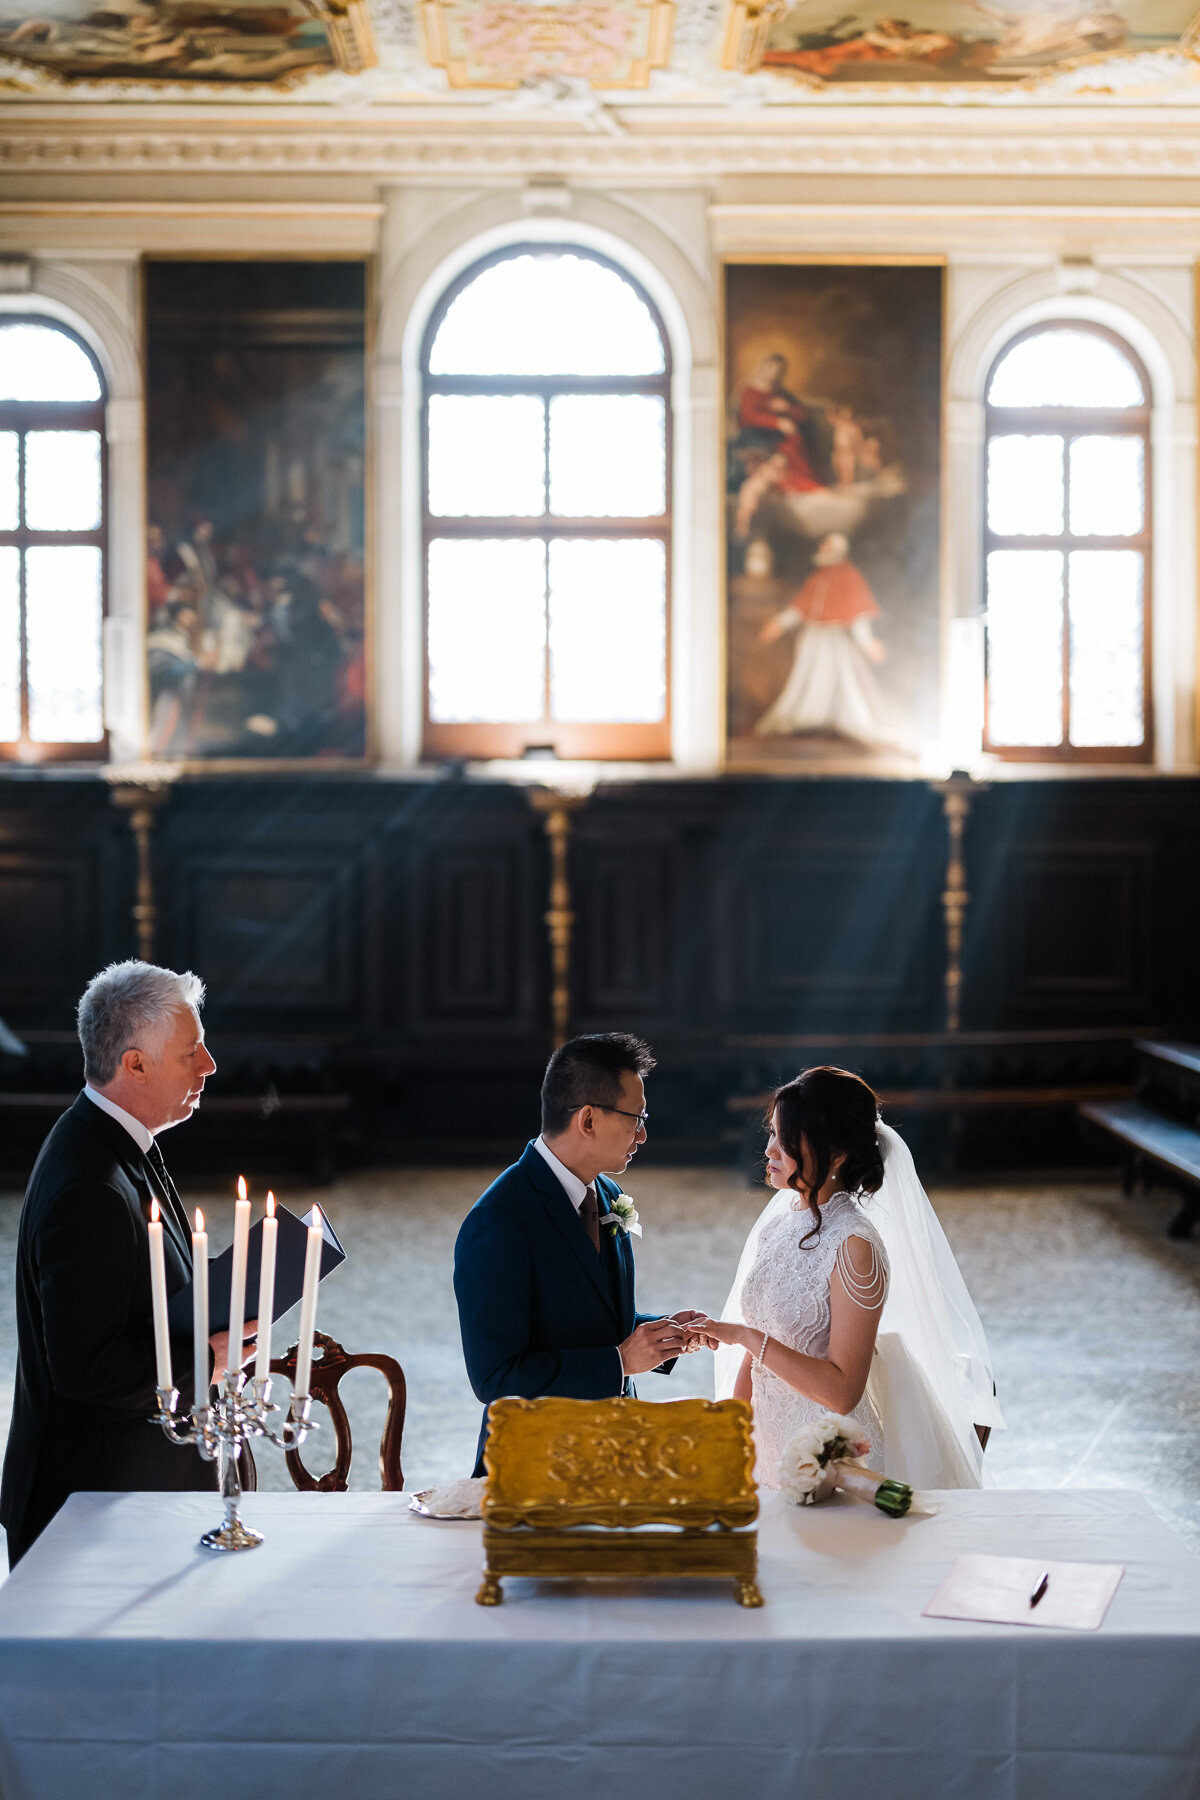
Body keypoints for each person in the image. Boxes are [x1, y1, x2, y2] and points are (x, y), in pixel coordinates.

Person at [0, 962, 255, 1567]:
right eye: (191, 1051)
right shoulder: (89, 1183)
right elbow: (89, 1370)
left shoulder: (114, 1140)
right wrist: (213, 1360)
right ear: (134, 1063)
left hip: (128, 1492)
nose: (209, 1065)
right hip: (91, 1507)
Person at [693, 1067, 1003, 1490]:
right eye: (771, 1133)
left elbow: (842, 1392)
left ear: (836, 1155)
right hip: (765, 1447)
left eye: (785, 1141)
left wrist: (746, 1337)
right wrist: (734, 1434)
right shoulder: (780, 1224)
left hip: (829, 1458)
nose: (769, 1151)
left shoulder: (854, 1247)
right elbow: (760, 1349)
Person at [453, 1033, 706, 1477]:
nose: (643, 1134)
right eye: (637, 1117)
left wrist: (659, 1334)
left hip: (613, 1448)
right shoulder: (499, 1220)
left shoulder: (607, 1193)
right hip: (535, 1462)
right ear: (588, 1119)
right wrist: (621, 1362)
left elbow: (585, 1316)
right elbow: (495, 1377)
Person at [755, 531, 888, 743]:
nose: (822, 551)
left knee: (837, 680)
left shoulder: (849, 577)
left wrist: (868, 643)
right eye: (822, 547)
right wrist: (777, 625)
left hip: (834, 640)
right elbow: (800, 607)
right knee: (809, 678)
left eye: (827, 547)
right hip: (813, 638)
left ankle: (832, 722)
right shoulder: (818, 576)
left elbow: (858, 614)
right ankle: (809, 720)